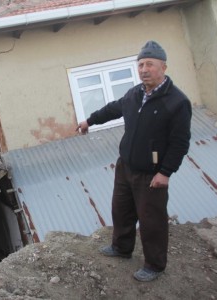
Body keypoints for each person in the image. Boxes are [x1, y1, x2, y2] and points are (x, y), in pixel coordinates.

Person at [76, 40, 192, 282]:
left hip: (152, 174)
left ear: (164, 67)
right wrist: (89, 120)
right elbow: (113, 109)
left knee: (152, 221)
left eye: (150, 64)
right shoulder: (135, 93)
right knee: (122, 211)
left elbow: (180, 142)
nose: (144, 69)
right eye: (140, 64)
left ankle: (155, 265)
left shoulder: (177, 102)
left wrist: (166, 172)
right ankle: (121, 247)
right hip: (126, 166)